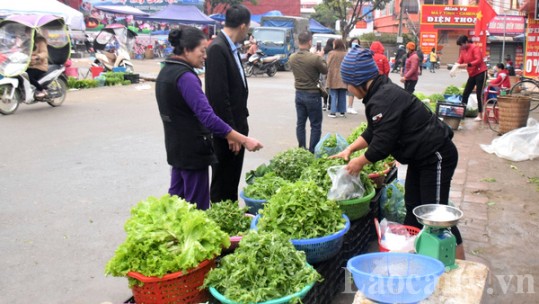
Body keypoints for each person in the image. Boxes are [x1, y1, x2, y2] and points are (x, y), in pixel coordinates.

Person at [333, 45, 464, 260]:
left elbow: (382, 144)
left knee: (436, 216)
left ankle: (461, 269)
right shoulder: (378, 91)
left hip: (436, 155)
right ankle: (415, 260)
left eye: (348, 83)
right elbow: (373, 131)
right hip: (420, 158)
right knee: (414, 208)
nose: (347, 89)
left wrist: (360, 162)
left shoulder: (383, 97)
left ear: (359, 81)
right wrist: (350, 149)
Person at [155, 27, 263, 210]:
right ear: (187, 49)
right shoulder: (186, 77)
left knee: (175, 206)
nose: (205, 56)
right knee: (197, 210)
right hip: (193, 152)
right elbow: (208, 117)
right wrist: (243, 139)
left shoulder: (165, 72)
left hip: (176, 150)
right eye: (202, 51)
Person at [205, 5, 252, 203]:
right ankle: (219, 223)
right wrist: (229, 132)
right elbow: (217, 97)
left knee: (231, 179)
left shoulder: (229, 48)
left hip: (236, 127)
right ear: (242, 26)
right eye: (248, 27)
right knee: (222, 181)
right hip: (227, 132)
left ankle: (229, 221)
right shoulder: (218, 48)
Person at [289, 31, 328, 153]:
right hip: (312, 94)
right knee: (315, 125)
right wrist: (321, 56)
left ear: (298, 41)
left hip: (299, 93)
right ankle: (312, 150)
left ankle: (301, 148)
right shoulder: (315, 58)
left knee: (300, 123)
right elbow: (325, 70)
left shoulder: (292, 57)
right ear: (310, 42)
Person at [455, 35, 487, 122]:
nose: (461, 47)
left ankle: (480, 114)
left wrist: (467, 64)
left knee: (479, 94)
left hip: (481, 72)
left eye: (462, 45)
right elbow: (460, 60)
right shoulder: (463, 50)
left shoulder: (474, 48)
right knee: (465, 93)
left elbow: (478, 60)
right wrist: (456, 65)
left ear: (466, 42)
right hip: (472, 73)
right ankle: (462, 112)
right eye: (460, 46)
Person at [326, 39, 348, 118]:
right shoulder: (346, 54)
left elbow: (327, 64)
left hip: (333, 76)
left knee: (333, 94)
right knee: (342, 94)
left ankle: (333, 112)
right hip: (344, 76)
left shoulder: (332, 53)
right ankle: (342, 111)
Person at [27, 32, 48, 99]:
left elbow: (44, 53)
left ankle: (41, 90)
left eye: (28, 31)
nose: (27, 33)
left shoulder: (40, 41)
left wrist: (37, 57)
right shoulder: (26, 42)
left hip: (39, 66)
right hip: (28, 65)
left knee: (28, 76)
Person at [346, 38, 361, 114]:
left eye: (357, 42)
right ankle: (349, 107)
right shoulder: (348, 51)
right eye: (354, 42)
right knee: (350, 90)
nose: (355, 43)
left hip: (355, 73)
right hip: (349, 73)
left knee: (352, 90)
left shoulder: (359, 52)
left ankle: (350, 106)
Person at [321, 38, 334, 111]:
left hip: (324, 72)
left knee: (324, 89)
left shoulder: (324, 52)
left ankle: (325, 104)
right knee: (331, 89)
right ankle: (330, 105)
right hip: (331, 73)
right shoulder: (333, 52)